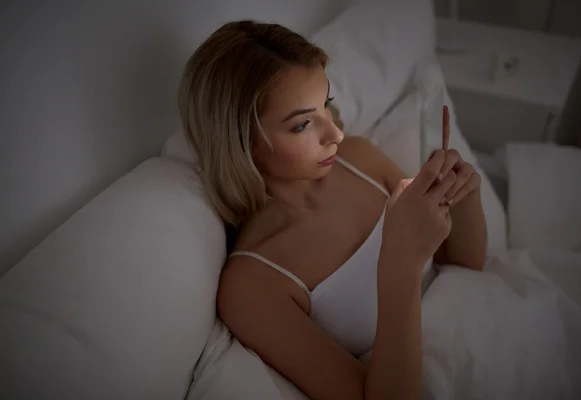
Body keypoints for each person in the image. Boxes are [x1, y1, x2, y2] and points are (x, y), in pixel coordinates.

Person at [178, 20, 487, 400]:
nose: (336, 134)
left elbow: (467, 266)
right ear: (241, 142)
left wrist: (465, 194)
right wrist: (401, 265)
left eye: (326, 105)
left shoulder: (359, 159)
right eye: (303, 124)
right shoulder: (252, 285)